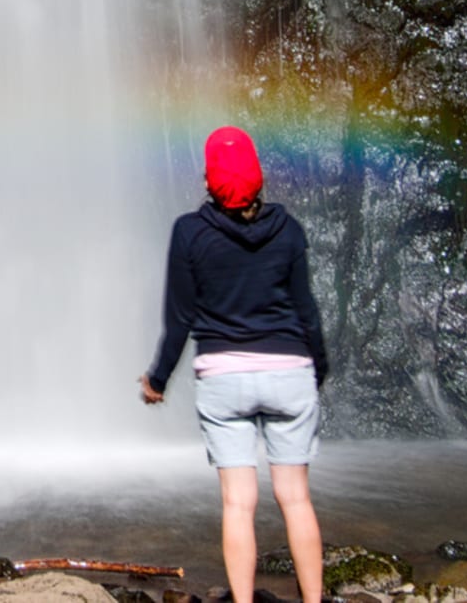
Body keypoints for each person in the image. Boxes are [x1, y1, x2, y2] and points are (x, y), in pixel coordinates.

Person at [140, 126, 329, 603]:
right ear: (259, 179)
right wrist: (317, 368)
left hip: (224, 377)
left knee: (238, 503)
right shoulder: (289, 230)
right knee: (296, 498)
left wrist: (157, 379)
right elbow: (306, 310)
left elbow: (180, 316)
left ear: (208, 180)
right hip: (290, 372)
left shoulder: (189, 232)